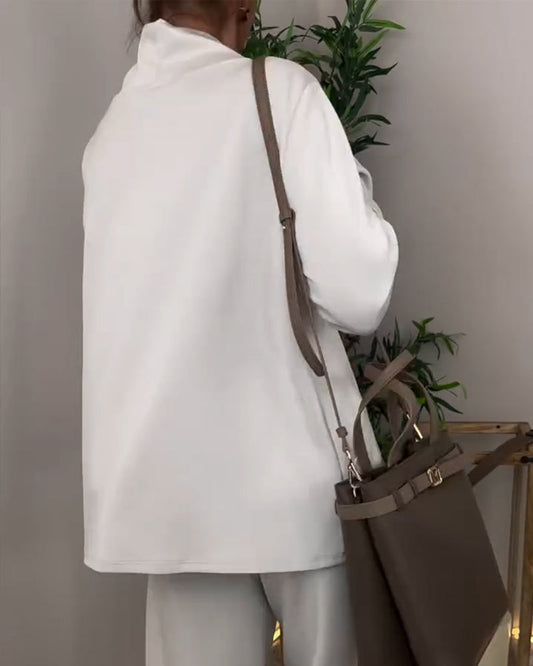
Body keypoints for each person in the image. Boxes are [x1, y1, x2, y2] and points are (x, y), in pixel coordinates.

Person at [81, 1, 399, 664]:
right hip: (299, 489)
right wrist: (358, 190)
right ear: (245, 7)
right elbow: (359, 294)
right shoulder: (280, 92)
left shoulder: (115, 129)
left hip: (168, 497)